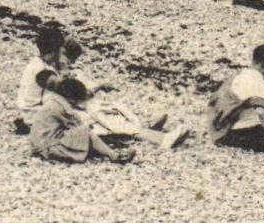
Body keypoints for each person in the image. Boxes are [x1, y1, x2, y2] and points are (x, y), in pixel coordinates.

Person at [56, 37, 187, 148]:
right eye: (70, 58)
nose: (70, 62)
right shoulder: (60, 75)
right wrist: (99, 87)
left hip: (84, 106)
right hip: (81, 110)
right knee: (116, 121)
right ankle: (162, 139)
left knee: (115, 111)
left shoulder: (66, 72)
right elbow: (78, 96)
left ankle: (148, 129)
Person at [30, 75, 136, 165]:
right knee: (85, 131)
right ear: (72, 98)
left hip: (41, 145)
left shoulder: (54, 102)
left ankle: (108, 152)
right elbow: (79, 127)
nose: (76, 105)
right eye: (76, 102)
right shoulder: (62, 107)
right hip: (49, 149)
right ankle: (114, 156)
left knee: (84, 136)